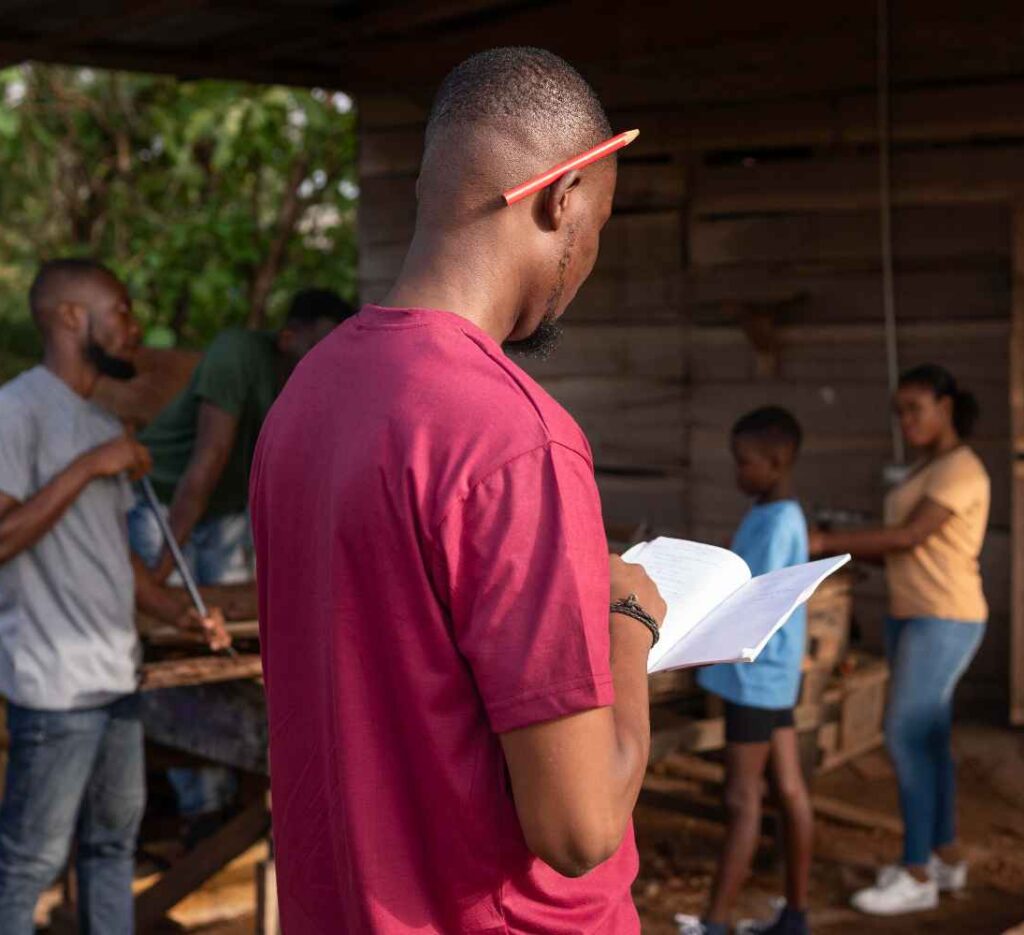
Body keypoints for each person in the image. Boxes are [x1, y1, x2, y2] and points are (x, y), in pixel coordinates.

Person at [250, 48, 666, 933]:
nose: (588, 260)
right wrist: (628, 624)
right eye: (600, 224)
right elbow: (578, 826)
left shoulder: (307, 396)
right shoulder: (518, 437)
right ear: (563, 200)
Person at [0, 258, 229, 933]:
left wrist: (183, 617)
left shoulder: (102, 426)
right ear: (72, 318)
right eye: (121, 311)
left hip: (116, 677)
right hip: (55, 687)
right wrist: (88, 469)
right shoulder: (17, 410)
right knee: (28, 862)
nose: (134, 329)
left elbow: (117, 565)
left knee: (111, 849)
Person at [129, 288, 350, 834]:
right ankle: (197, 809)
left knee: (222, 642)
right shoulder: (235, 353)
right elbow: (204, 467)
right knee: (169, 638)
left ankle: (222, 796)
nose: (323, 359)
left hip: (224, 512)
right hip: (159, 499)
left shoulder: (319, 380)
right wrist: (159, 578)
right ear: (288, 337)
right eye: (316, 346)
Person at [808, 363, 989, 916]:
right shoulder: (927, 467)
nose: (906, 420)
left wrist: (825, 540)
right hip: (914, 614)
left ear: (946, 406)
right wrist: (844, 549)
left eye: (916, 408)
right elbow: (901, 547)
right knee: (930, 740)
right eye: (900, 411)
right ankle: (944, 857)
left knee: (904, 734)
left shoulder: (961, 470)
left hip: (945, 618)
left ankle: (916, 873)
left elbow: (910, 537)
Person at [676, 407, 813, 935]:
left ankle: (714, 923)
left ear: (776, 462)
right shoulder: (775, 513)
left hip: (753, 679)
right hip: (775, 677)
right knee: (789, 788)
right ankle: (795, 915)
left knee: (742, 798)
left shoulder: (778, 522)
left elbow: (755, 601)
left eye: (745, 462)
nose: (738, 472)